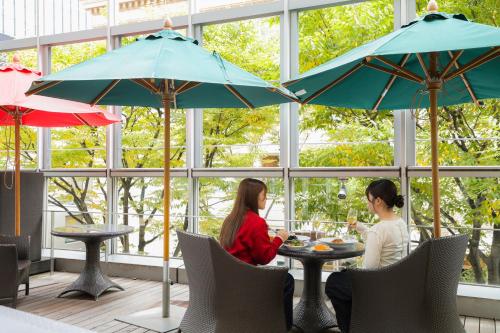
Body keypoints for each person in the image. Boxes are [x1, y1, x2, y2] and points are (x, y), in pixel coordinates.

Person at [325, 179, 409, 333]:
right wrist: (363, 229)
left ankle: (351, 328)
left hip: (377, 287)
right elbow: (381, 243)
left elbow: (368, 270)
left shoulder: (378, 230)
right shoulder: (400, 223)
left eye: (368, 200)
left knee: (334, 282)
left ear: (378, 201)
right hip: (396, 284)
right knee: (343, 277)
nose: (367, 204)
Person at [219, 178, 295, 331]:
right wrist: (280, 238)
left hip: (228, 281)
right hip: (248, 282)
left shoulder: (230, 219)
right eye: (264, 195)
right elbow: (264, 257)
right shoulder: (257, 222)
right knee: (286, 279)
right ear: (254, 198)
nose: (266, 199)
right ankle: (283, 328)